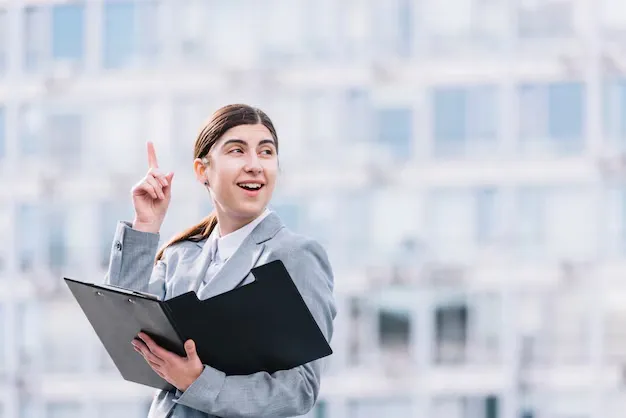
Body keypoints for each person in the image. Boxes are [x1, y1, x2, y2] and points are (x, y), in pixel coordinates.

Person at [103, 104, 337, 418]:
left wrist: (198, 382)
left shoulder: (295, 256)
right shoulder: (180, 255)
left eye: (266, 152)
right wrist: (146, 226)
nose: (255, 165)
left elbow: (299, 389)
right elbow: (124, 329)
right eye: (237, 151)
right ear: (203, 170)